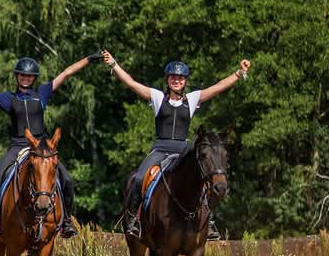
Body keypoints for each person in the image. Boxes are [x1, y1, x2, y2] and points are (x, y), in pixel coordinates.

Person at [103, 50, 251, 239]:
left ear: (185, 81)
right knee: (139, 178)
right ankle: (134, 222)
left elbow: (218, 87)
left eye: (180, 78)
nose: (177, 81)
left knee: (204, 179)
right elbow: (131, 83)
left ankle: (210, 223)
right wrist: (114, 64)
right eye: (173, 77)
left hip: (182, 149)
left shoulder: (192, 99)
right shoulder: (157, 97)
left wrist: (238, 73)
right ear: (168, 80)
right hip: (160, 149)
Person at [0, 54, 98, 238]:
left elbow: (66, 73)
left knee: (66, 179)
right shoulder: (7, 98)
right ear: (16, 76)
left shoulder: (42, 93)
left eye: (29, 76)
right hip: (18, 145)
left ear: (34, 78)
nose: (25, 78)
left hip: (41, 148)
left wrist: (89, 59)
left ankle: (66, 221)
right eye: (21, 75)